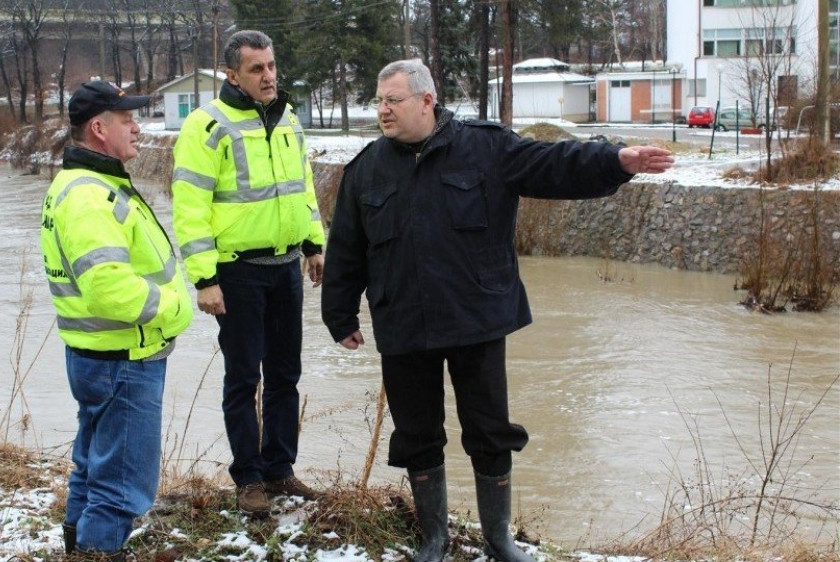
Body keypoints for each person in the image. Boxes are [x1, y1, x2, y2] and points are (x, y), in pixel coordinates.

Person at [321, 60, 674, 562]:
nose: (382, 110)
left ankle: (499, 538)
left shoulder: (486, 148)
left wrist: (617, 161)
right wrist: (340, 314)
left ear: (426, 100)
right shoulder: (365, 169)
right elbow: (347, 250)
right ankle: (434, 538)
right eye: (378, 101)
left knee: (489, 432)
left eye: (393, 100)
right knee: (418, 435)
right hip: (403, 323)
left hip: (476, 320)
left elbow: (555, 165)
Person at [171, 30, 327, 517]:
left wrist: (313, 243)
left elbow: (302, 186)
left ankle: (280, 470)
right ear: (232, 74)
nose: (268, 75)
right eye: (257, 68)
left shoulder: (288, 120)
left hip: (285, 267)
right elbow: (190, 207)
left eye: (272, 66)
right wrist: (204, 278)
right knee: (244, 377)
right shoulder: (206, 126)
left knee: (286, 373)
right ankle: (249, 479)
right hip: (236, 273)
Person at [40, 80, 194, 560]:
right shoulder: (90, 196)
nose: (139, 129)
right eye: (128, 121)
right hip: (124, 358)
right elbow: (108, 287)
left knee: (93, 463)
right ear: (99, 128)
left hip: (101, 357)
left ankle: (79, 546)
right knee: (123, 481)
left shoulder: (90, 183)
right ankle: (98, 552)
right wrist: (173, 309)